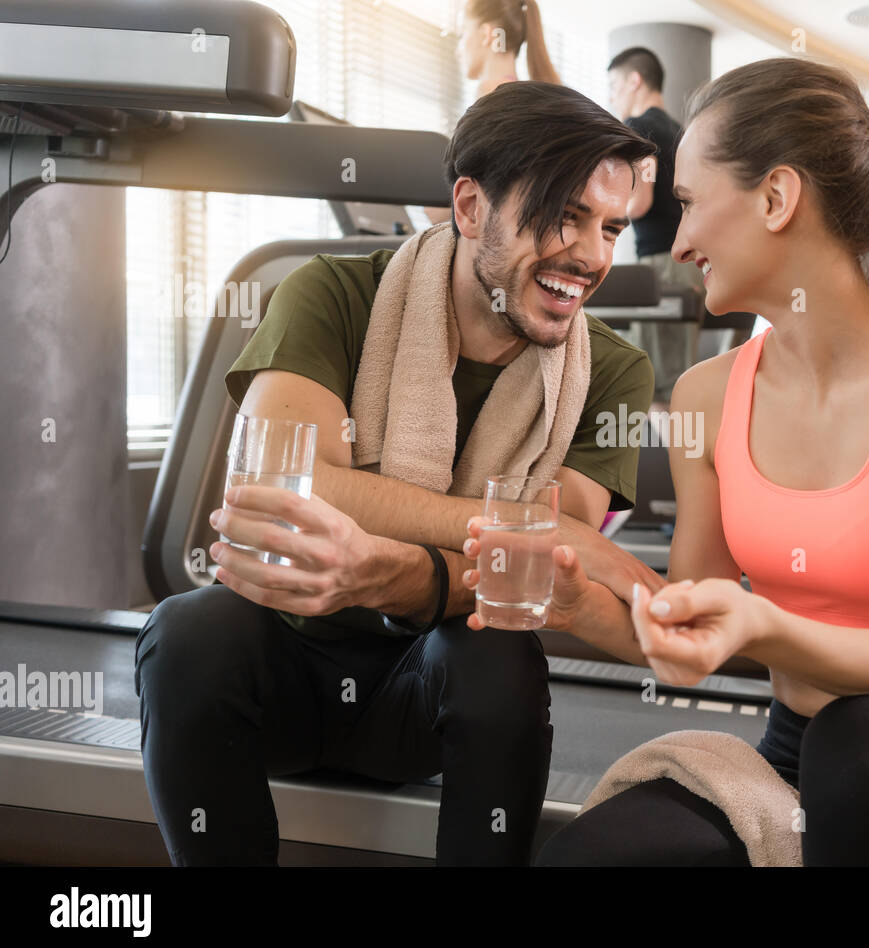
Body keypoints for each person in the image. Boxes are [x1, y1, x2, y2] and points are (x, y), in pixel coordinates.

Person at [501, 57, 869, 865]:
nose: (683, 243)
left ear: (776, 198)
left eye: (691, 204)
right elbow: (696, 619)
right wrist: (582, 609)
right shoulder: (706, 395)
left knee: (862, 739)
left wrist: (767, 620)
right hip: (792, 756)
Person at [134, 81, 662, 866]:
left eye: (609, 227)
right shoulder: (330, 295)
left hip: (432, 688)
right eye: (562, 215)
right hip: (280, 672)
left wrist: (399, 573)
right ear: (472, 206)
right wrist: (531, 522)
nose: (590, 256)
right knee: (188, 629)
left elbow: (531, 577)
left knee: (497, 651)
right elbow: (290, 488)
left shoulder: (613, 372)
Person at [607, 46, 703, 405]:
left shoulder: (639, 126)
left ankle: (675, 459)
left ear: (635, 80)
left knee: (660, 386)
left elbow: (641, 200)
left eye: (614, 85)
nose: (613, 95)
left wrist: (600, 218)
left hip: (663, 267)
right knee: (674, 378)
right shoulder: (680, 131)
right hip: (687, 265)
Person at [425, 0, 562, 225]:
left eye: (463, 35)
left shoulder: (490, 97)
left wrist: (437, 204)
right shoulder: (528, 100)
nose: (458, 50)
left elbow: (481, 193)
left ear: (487, 34)